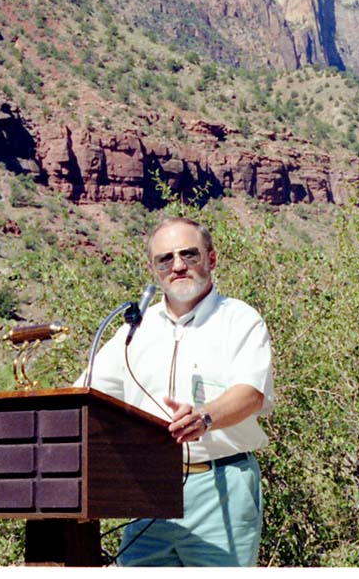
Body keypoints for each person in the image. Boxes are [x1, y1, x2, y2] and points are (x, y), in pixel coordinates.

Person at [83, 216, 274, 567]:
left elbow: (251, 393)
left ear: (211, 259)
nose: (178, 266)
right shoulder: (136, 329)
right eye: (165, 259)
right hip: (148, 490)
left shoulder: (239, 320)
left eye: (189, 254)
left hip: (221, 485)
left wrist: (204, 418)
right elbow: (87, 392)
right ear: (153, 269)